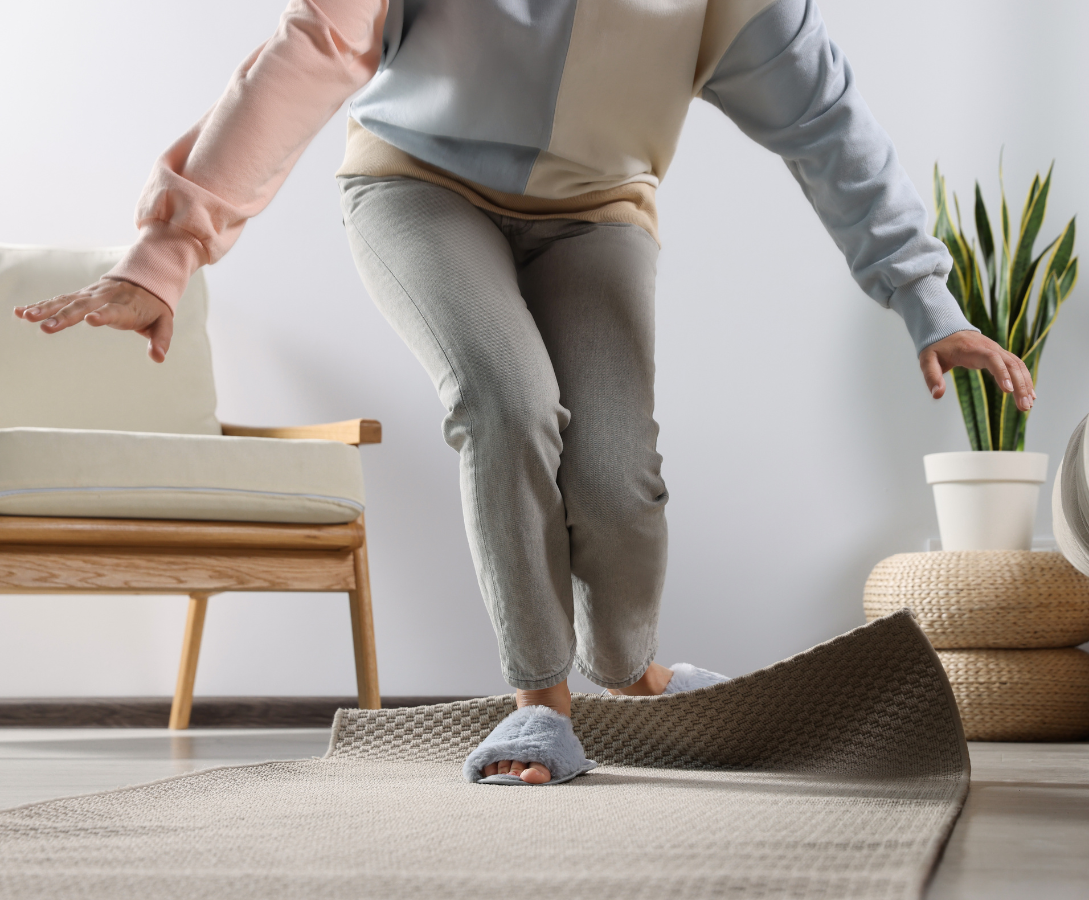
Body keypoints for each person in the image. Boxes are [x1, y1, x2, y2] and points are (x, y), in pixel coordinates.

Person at [13, 0, 1035, 785]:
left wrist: (924, 297)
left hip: (596, 209)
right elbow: (310, 51)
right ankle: (541, 701)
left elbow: (823, 122)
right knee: (503, 403)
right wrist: (166, 256)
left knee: (616, 477)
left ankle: (630, 670)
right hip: (416, 184)